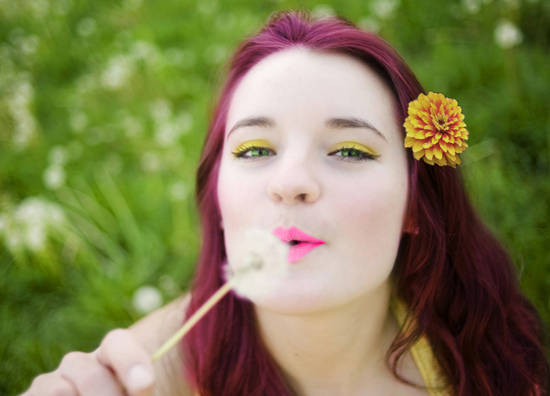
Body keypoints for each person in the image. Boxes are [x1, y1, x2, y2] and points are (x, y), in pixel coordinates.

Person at [22, 10, 549, 396]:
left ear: (415, 204)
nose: (290, 182)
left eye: (349, 150)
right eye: (255, 149)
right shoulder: (148, 375)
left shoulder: (489, 363)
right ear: (219, 195)